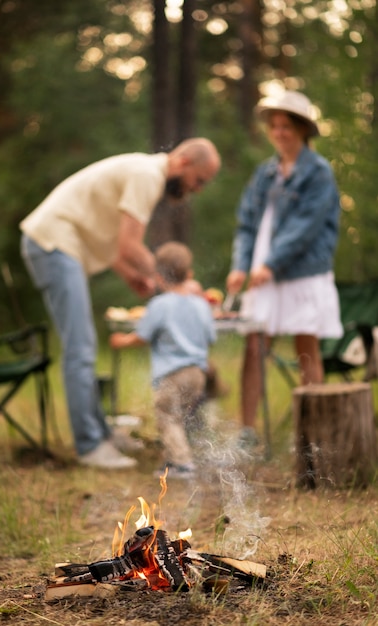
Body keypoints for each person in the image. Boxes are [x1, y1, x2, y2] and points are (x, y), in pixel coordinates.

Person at [20, 138, 221, 468]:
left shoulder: (143, 172)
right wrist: (174, 283)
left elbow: (112, 239)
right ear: (184, 161)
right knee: (81, 348)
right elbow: (130, 245)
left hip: (61, 244)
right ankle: (89, 446)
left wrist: (131, 275)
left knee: (83, 347)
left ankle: (101, 433)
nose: (196, 189)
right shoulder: (147, 175)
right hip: (53, 243)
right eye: (198, 180)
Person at [226, 90, 343, 448]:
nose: (279, 132)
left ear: (303, 129)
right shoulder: (265, 173)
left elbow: (304, 228)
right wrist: (240, 266)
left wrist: (271, 264)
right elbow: (247, 224)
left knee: (306, 348)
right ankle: (247, 432)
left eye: (286, 126)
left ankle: (313, 436)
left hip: (301, 273)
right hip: (264, 272)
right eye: (274, 126)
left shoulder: (318, 173)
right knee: (254, 347)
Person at [109, 241, 216, 479]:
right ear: (189, 274)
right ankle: (176, 458)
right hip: (198, 372)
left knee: (167, 416)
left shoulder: (159, 305)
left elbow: (142, 336)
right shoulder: (200, 304)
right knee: (182, 417)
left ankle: (183, 463)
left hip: (172, 373)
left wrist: (122, 341)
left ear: (158, 277)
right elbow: (211, 336)